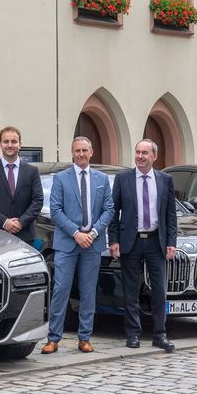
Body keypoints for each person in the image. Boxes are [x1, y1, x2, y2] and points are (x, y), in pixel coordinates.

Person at [43, 137, 114, 354]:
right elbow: (55, 210)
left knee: (88, 291)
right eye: (77, 151)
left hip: (92, 243)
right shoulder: (61, 179)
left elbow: (109, 210)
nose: (81, 154)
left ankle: (85, 338)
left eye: (84, 150)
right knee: (61, 289)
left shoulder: (102, 179)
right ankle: (53, 338)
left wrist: (93, 232)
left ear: (91, 152)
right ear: (72, 153)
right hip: (67, 242)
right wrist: (76, 233)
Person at [107, 140, 177, 353]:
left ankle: (159, 334)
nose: (140, 156)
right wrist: (114, 240)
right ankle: (133, 334)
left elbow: (170, 215)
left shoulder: (165, 180)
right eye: (137, 152)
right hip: (132, 241)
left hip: (156, 241)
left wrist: (171, 242)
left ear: (154, 156)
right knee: (131, 290)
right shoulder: (123, 179)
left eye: (145, 153)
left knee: (159, 291)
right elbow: (113, 212)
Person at [0, 126, 43, 245]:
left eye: (13, 141)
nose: (9, 145)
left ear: (20, 144)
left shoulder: (32, 171)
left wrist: (20, 222)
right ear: (0, 144)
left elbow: (38, 201)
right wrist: (4, 222)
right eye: (6, 141)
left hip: (25, 236)